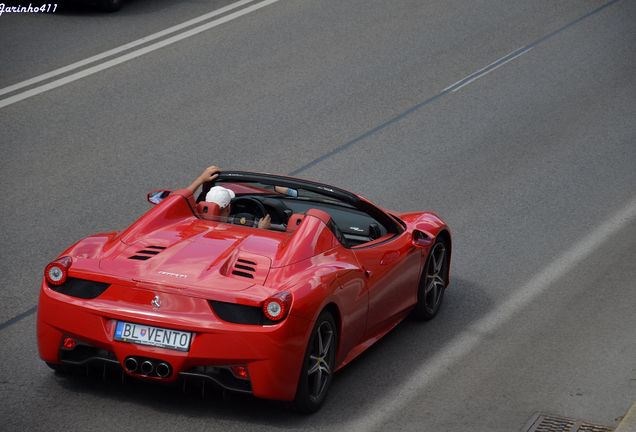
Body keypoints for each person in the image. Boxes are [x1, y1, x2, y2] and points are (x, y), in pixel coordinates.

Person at [187, 165, 272, 229]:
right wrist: (261, 230)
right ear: (229, 208)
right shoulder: (228, 231)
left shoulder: (193, 219)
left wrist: (201, 179)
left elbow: (180, 198)